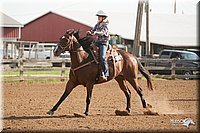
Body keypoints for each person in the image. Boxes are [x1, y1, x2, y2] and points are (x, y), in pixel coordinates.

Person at [86, 10, 110, 81]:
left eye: (100, 16)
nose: (98, 18)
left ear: (103, 18)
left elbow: (103, 33)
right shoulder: (97, 25)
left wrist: (95, 32)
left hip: (103, 43)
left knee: (102, 57)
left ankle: (106, 74)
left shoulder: (105, 25)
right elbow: (93, 30)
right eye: (98, 16)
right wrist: (90, 32)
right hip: (97, 42)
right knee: (88, 48)